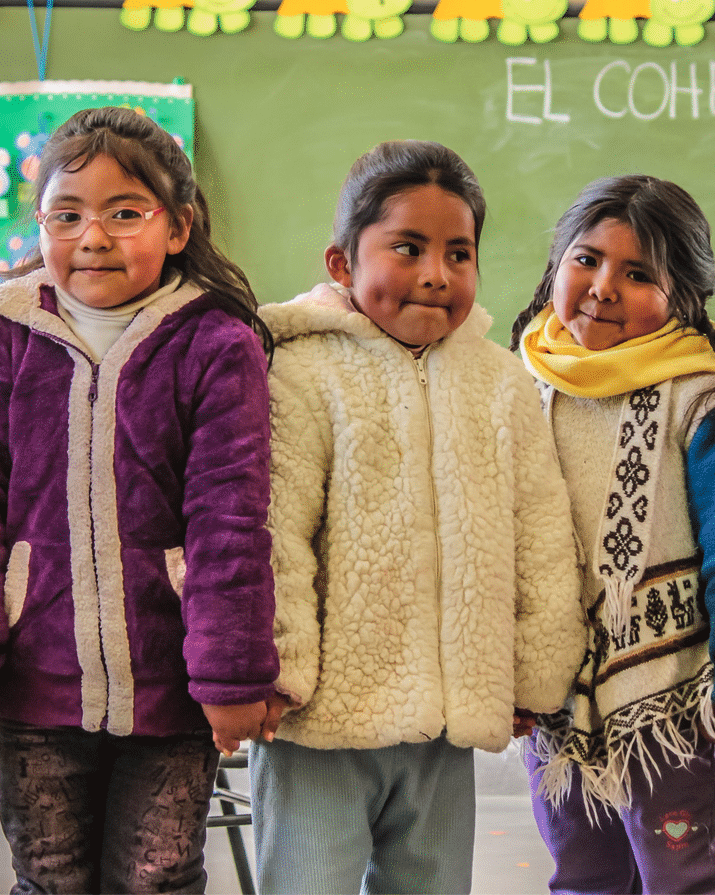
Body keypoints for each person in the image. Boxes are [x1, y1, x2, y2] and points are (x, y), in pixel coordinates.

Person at [0, 106, 278, 895]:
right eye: (68, 215)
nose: (93, 237)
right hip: (37, 678)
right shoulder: (2, 334)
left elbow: (230, 520)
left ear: (178, 226)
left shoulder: (217, 342)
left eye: (125, 213)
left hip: (173, 686)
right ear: (41, 224)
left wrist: (230, 675)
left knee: (157, 878)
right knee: (48, 877)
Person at [251, 139, 586, 895]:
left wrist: (534, 674)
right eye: (408, 248)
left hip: (446, 718)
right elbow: (275, 540)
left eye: (459, 254)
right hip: (319, 721)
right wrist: (276, 668)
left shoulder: (499, 382)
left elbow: (541, 536)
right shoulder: (299, 371)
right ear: (342, 264)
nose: (437, 273)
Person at [513, 175, 715, 895]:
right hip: (557, 704)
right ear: (556, 264)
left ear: (682, 295)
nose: (603, 287)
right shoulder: (521, 381)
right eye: (586, 260)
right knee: (584, 875)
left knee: (687, 877)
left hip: (669, 696)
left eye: (638, 274)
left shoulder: (706, 394)